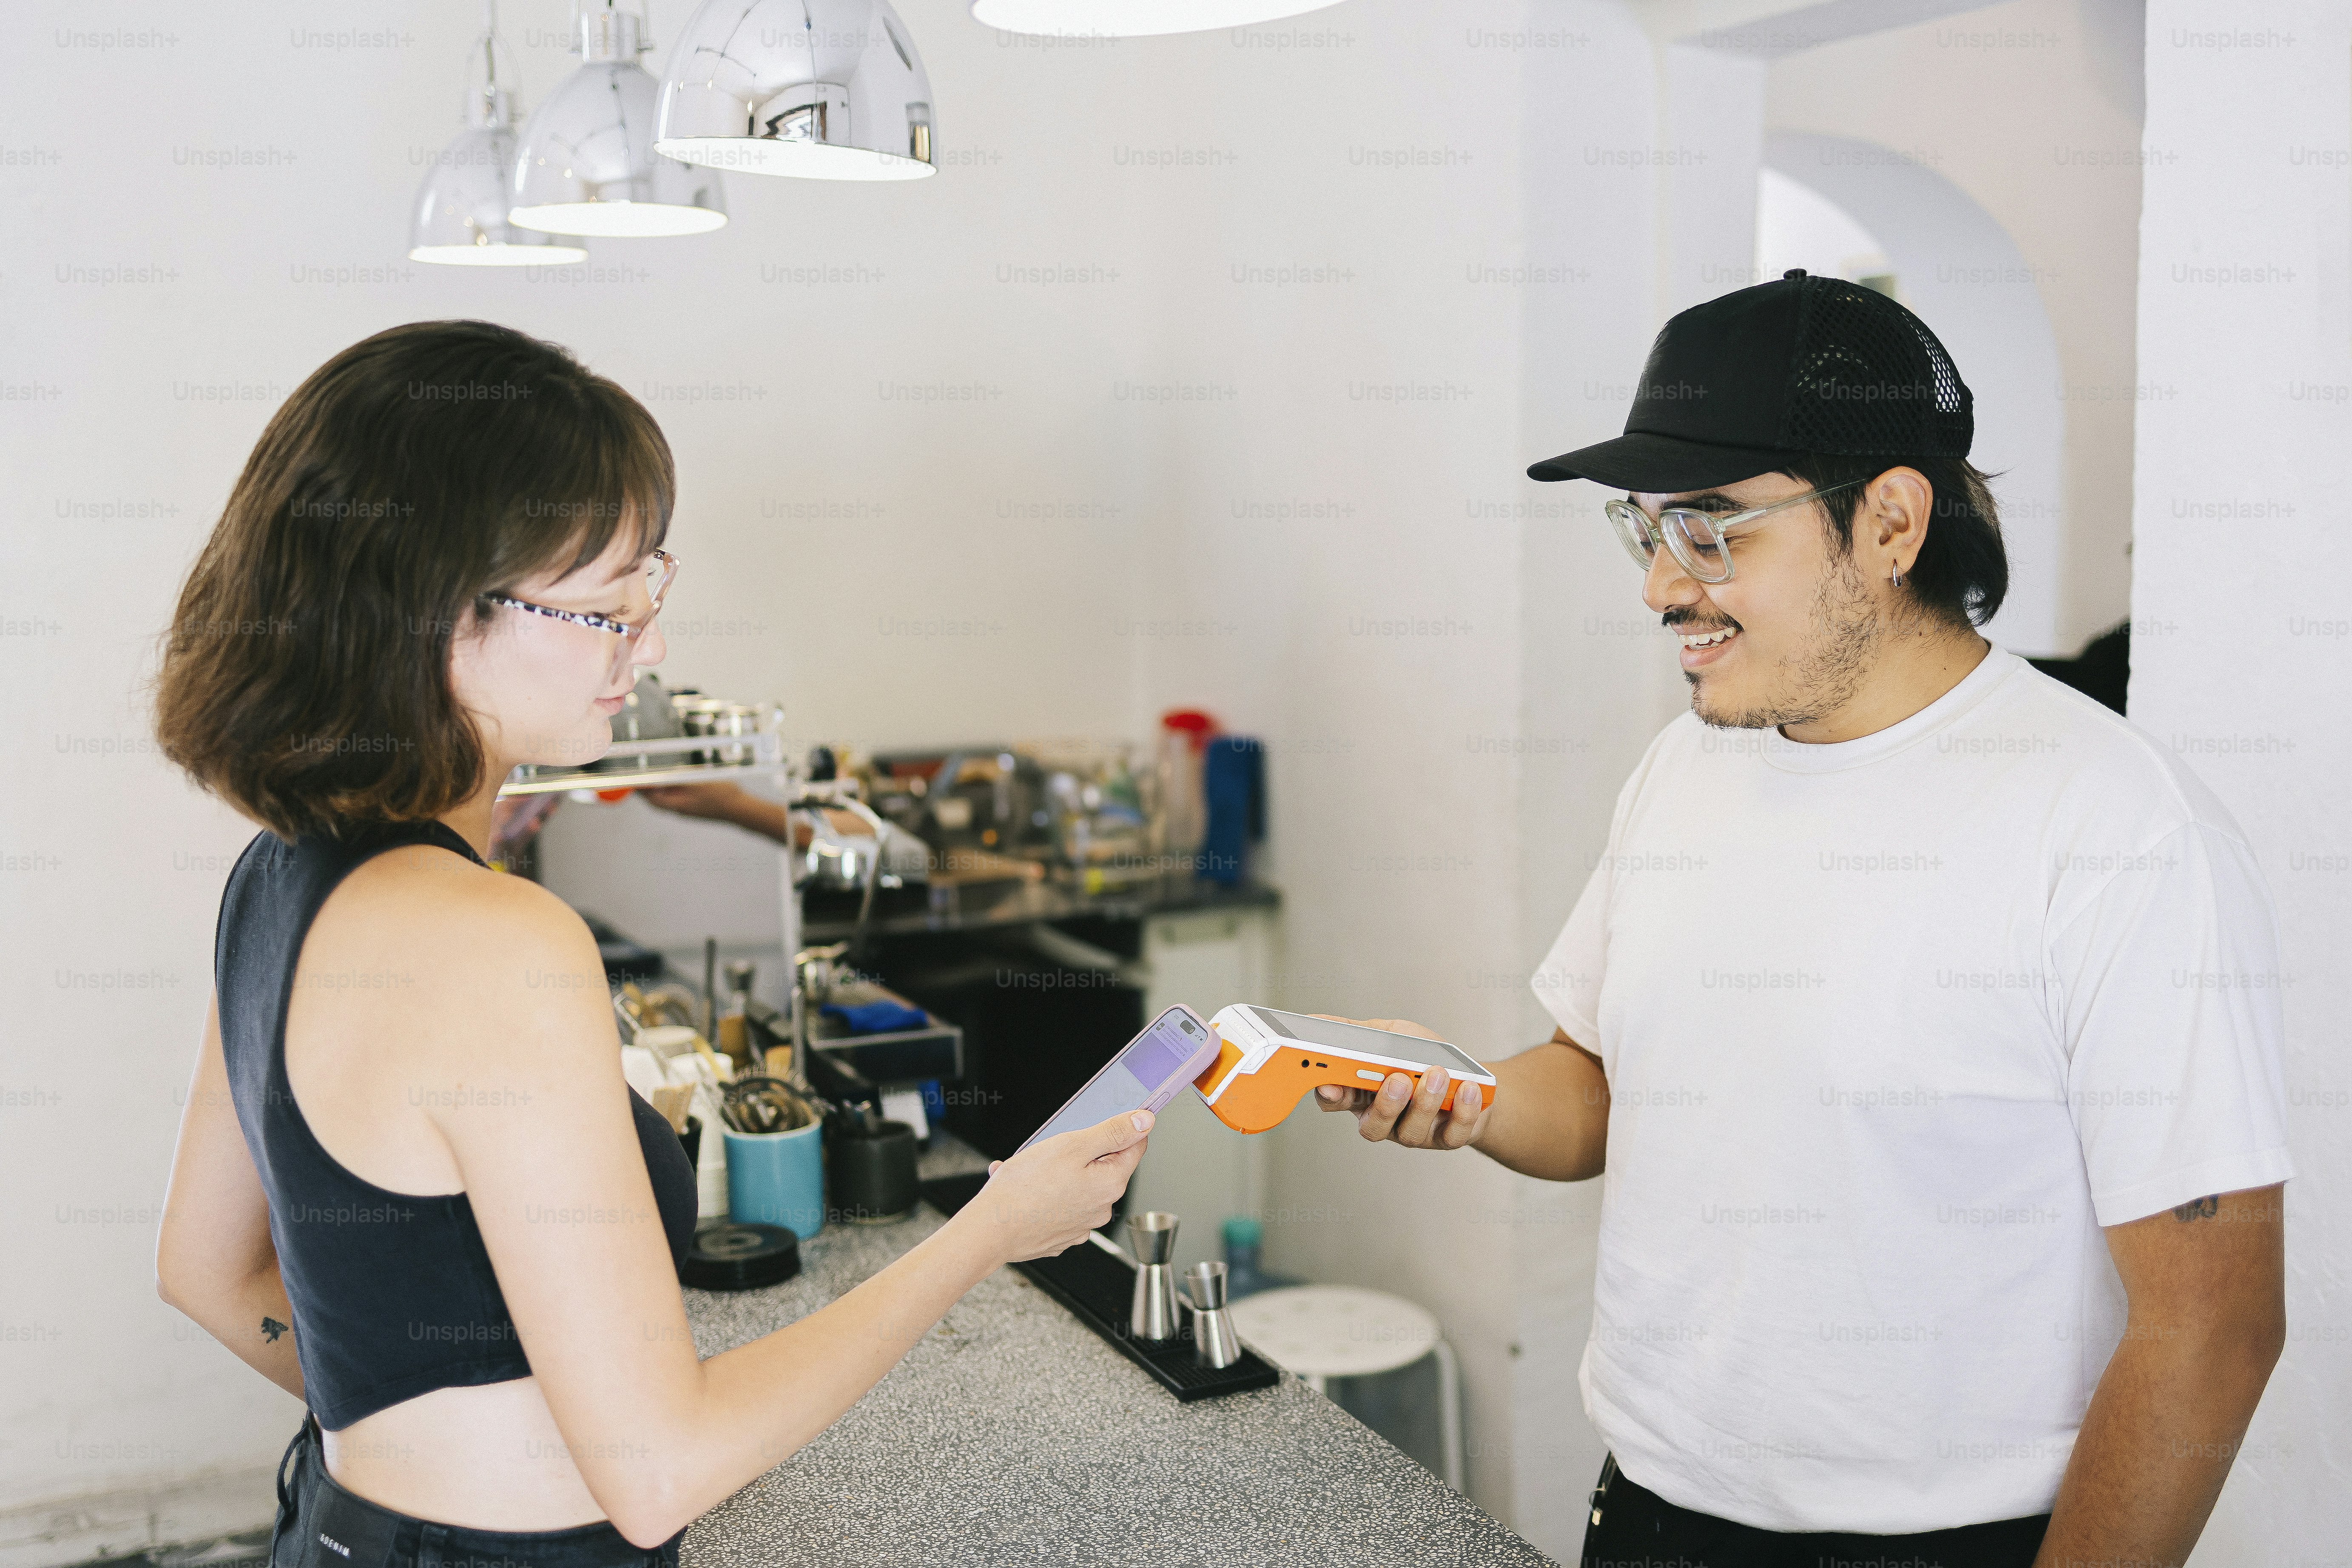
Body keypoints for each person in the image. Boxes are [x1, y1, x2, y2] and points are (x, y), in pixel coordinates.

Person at [1317, 272, 2289, 1568]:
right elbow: (1607, 1090)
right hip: (1653, 1509)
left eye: (1714, 530)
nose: (1662, 588)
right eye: (1649, 531)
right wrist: (1464, 1094)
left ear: (1889, 522)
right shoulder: (1688, 767)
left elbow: (2209, 1329)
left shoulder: (2116, 831)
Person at [149, 320, 1151, 1568]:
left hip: (339, 1530)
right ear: (432, 617)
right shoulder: (496, 943)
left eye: (650, 591)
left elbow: (205, 1272)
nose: (651, 643)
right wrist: (987, 1230)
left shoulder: (277, 874)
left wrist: (413, 1450)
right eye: (605, 607)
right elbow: (658, 1472)